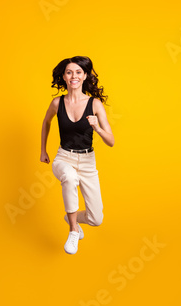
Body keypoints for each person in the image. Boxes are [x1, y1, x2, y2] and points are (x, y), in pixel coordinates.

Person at [40, 56, 115, 255]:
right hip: (64, 157)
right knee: (69, 177)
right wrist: (43, 150)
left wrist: (97, 128)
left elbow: (111, 141)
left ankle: (70, 217)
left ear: (85, 76)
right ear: (64, 77)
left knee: (96, 219)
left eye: (78, 72)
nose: (74, 76)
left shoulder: (95, 104)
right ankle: (73, 230)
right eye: (69, 72)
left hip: (88, 161)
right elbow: (46, 122)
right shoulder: (57, 103)